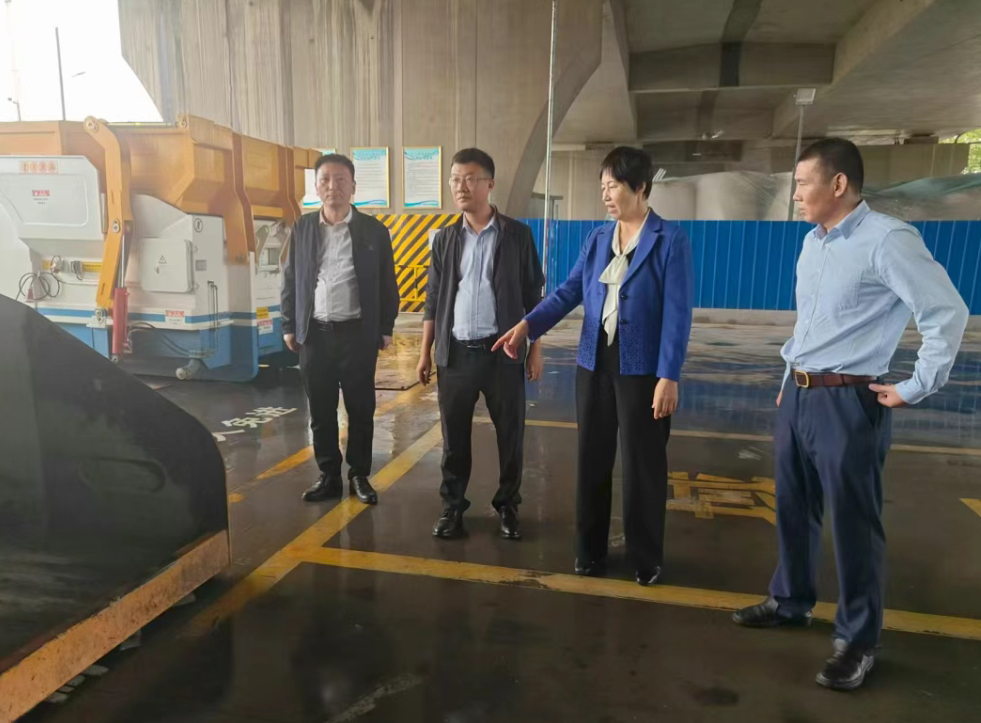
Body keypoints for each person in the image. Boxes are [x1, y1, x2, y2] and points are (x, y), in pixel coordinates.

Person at [732, 138, 969, 691]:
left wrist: (915, 386)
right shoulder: (813, 243)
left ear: (838, 184)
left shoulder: (887, 239)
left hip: (849, 401)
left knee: (854, 523)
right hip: (800, 397)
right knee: (792, 507)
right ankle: (790, 600)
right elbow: (808, 324)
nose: (794, 195)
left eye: (802, 184)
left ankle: (858, 639)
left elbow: (945, 310)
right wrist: (790, 380)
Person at [495, 146, 694, 586]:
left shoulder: (669, 240)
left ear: (640, 187)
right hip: (594, 360)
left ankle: (646, 558)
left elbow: (678, 314)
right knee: (592, 457)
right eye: (602, 186)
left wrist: (669, 375)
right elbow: (569, 291)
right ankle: (590, 551)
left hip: (643, 368)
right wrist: (528, 325)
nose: (605, 194)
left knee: (643, 464)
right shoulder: (598, 238)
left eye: (613, 186)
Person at [417, 148, 545, 540]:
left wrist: (535, 348)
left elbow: (534, 296)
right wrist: (425, 352)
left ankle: (507, 506)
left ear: (489, 184)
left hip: (503, 352)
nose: (461, 187)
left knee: (510, 435)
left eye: (470, 179)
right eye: (455, 179)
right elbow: (433, 298)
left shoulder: (517, 236)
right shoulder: (445, 239)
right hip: (455, 355)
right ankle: (452, 507)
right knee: (454, 439)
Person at [281, 153, 399, 506]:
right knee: (320, 410)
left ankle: (359, 475)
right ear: (317, 187)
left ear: (353, 186)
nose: (333, 186)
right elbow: (290, 279)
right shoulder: (303, 228)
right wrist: (289, 324)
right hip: (315, 335)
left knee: (360, 409)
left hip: (357, 335)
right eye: (325, 180)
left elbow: (387, 282)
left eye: (341, 180)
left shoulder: (373, 231)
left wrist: (385, 326)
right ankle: (329, 475)